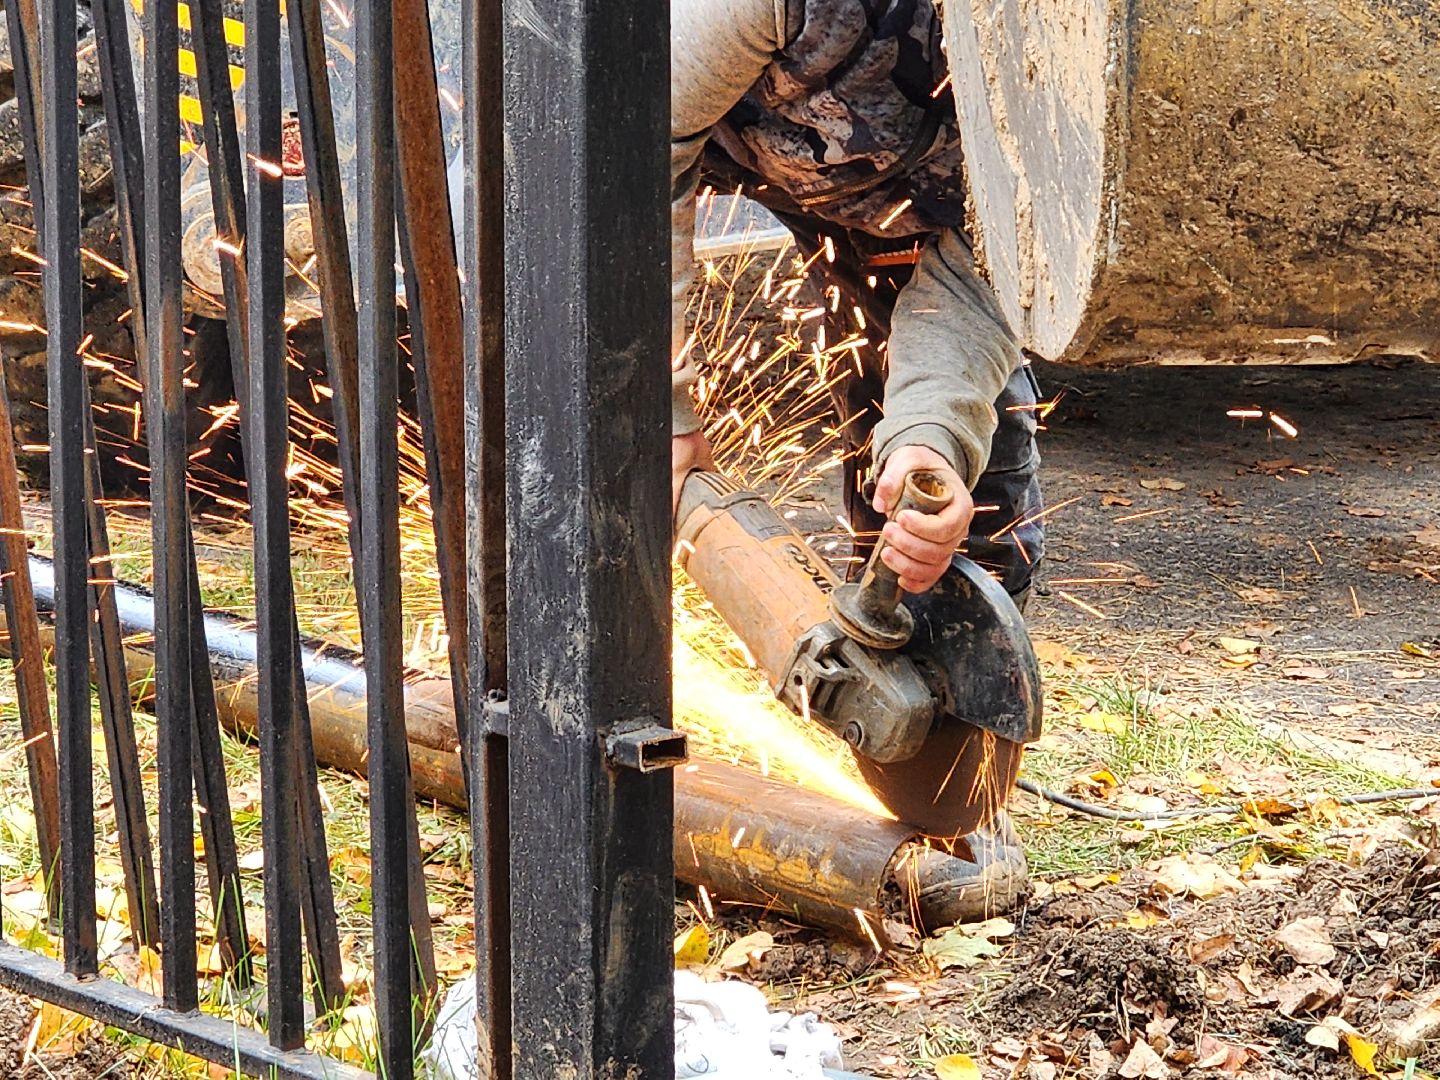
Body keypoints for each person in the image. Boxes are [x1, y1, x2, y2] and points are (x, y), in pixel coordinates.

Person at [669, 0, 1044, 916]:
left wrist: (931, 441)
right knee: (594, 419)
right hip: (691, 126)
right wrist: (660, 407)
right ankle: (561, 705)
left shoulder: (1075, 56)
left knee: (973, 484)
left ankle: (945, 778)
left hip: (925, 200)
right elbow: (621, 156)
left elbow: (1003, 253)